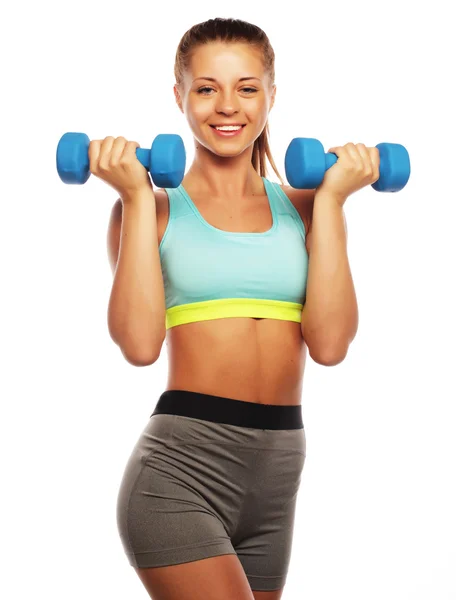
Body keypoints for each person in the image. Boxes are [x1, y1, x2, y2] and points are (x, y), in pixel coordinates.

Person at [90, 17, 380, 600]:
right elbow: (140, 346)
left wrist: (333, 201)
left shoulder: (308, 206)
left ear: (272, 95)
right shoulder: (154, 210)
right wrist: (133, 196)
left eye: (247, 88)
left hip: (276, 479)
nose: (227, 106)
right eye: (206, 88)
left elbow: (329, 346)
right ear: (180, 97)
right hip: (180, 471)